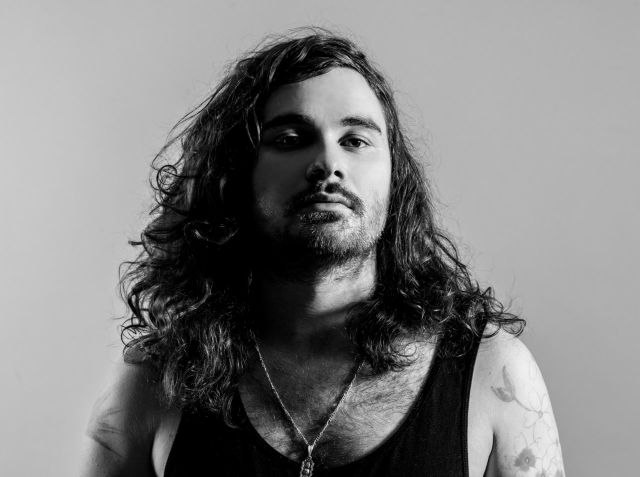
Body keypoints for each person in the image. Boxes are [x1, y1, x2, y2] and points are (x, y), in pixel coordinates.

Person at [80, 30, 565, 477]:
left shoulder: (494, 375)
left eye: (355, 140)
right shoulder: (154, 379)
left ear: (394, 177)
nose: (328, 163)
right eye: (291, 140)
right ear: (235, 175)